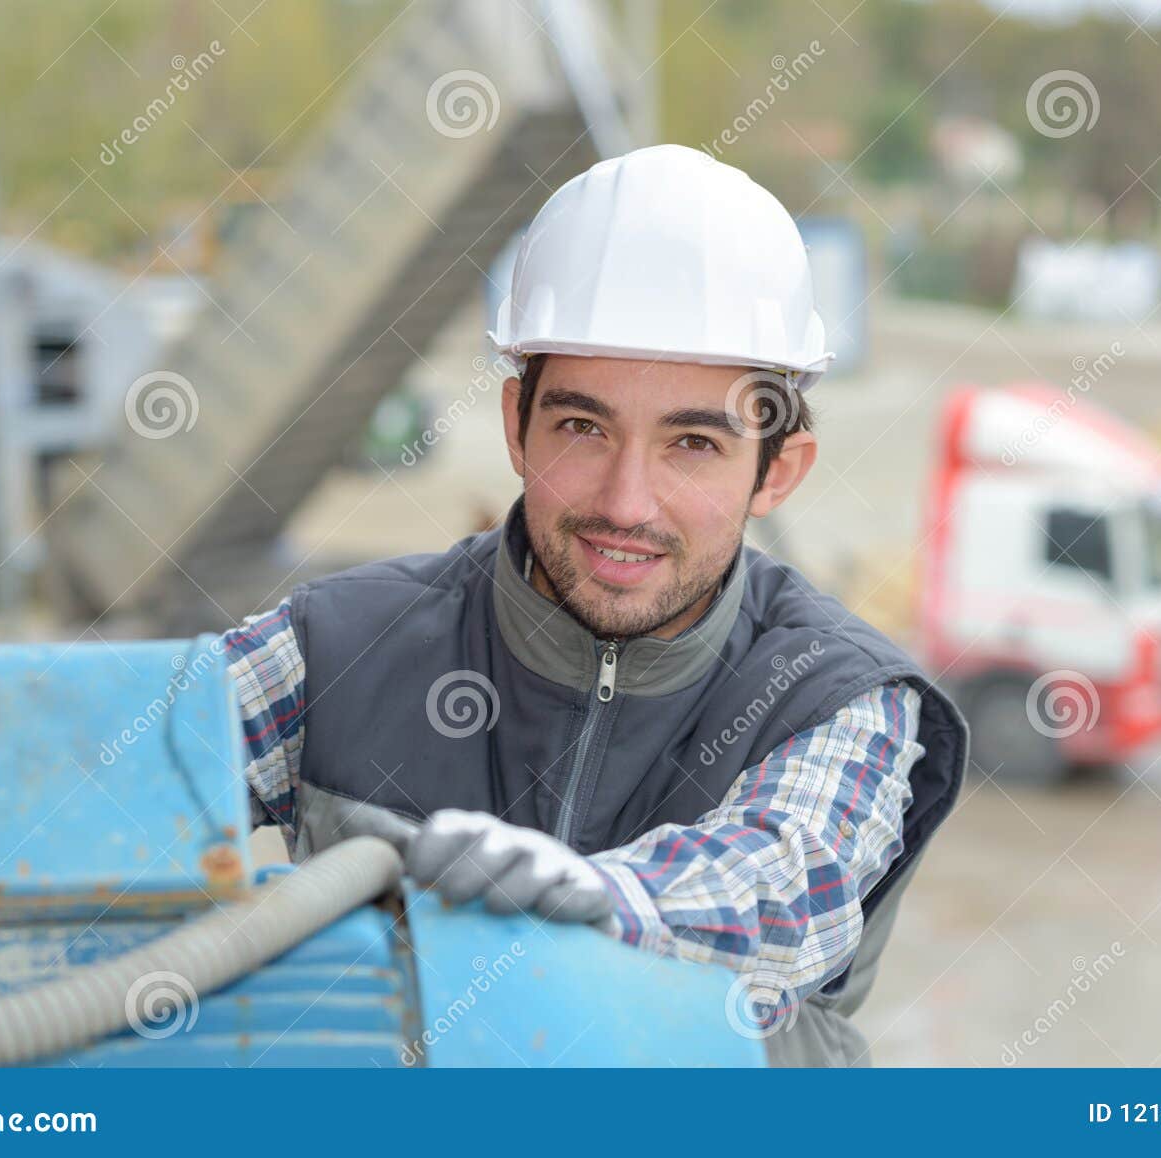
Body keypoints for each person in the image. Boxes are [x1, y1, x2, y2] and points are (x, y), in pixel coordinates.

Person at [222, 144, 968, 1066]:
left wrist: (609, 902)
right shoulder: (337, 646)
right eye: (583, 426)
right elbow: (97, 761)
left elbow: (785, 891)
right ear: (514, 426)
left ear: (777, 470)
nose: (625, 503)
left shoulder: (836, 695)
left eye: (692, 444)